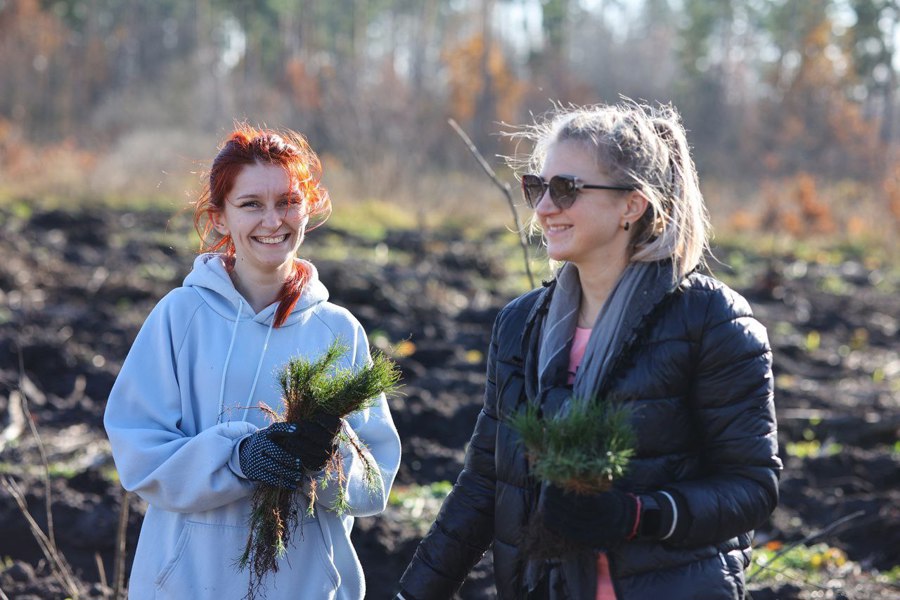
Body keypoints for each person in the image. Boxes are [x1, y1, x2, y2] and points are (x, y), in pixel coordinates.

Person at [397, 100, 780, 599]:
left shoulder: (711, 321)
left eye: (566, 190)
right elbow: (487, 481)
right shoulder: (520, 325)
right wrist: (415, 594)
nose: (543, 208)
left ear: (632, 205)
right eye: (537, 187)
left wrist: (637, 516)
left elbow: (751, 487)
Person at [104, 125, 401, 600]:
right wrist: (238, 458)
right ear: (219, 217)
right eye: (251, 205)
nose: (272, 221)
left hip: (305, 587)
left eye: (287, 202)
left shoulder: (337, 332)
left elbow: (374, 481)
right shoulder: (181, 318)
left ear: (308, 207)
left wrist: (324, 460)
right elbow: (139, 452)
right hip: (186, 585)